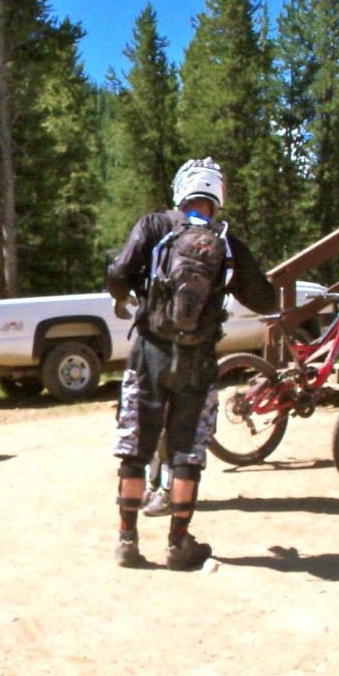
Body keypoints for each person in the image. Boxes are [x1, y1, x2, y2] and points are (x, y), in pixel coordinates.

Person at [107, 157, 275, 569]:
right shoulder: (226, 243)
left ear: (181, 191)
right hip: (198, 358)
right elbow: (266, 300)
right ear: (217, 197)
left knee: (136, 446)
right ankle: (179, 544)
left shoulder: (153, 226)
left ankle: (127, 540)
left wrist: (125, 295)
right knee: (186, 451)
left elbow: (118, 274)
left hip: (149, 349)